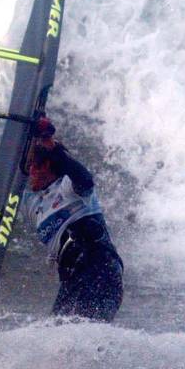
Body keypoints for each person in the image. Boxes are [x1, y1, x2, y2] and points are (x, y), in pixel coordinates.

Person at [19, 116, 123, 322]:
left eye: (34, 166)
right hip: (72, 279)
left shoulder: (68, 187)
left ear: (48, 165)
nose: (30, 172)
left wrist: (51, 146)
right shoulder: (30, 202)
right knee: (54, 335)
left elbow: (84, 179)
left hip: (101, 271)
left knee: (75, 333)